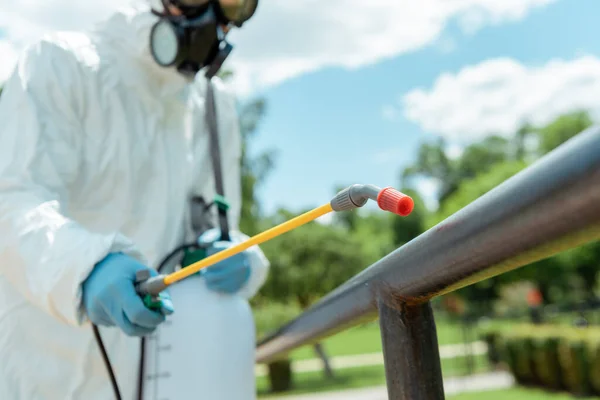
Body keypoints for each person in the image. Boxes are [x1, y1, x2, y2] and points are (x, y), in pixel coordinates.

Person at [0, 1, 269, 399]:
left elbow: (212, 225)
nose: (212, 16)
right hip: (46, 375)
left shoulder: (215, 107)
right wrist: (85, 267)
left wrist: (245, 259)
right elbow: (11, 200)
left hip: (164, 374)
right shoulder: (60, 64)